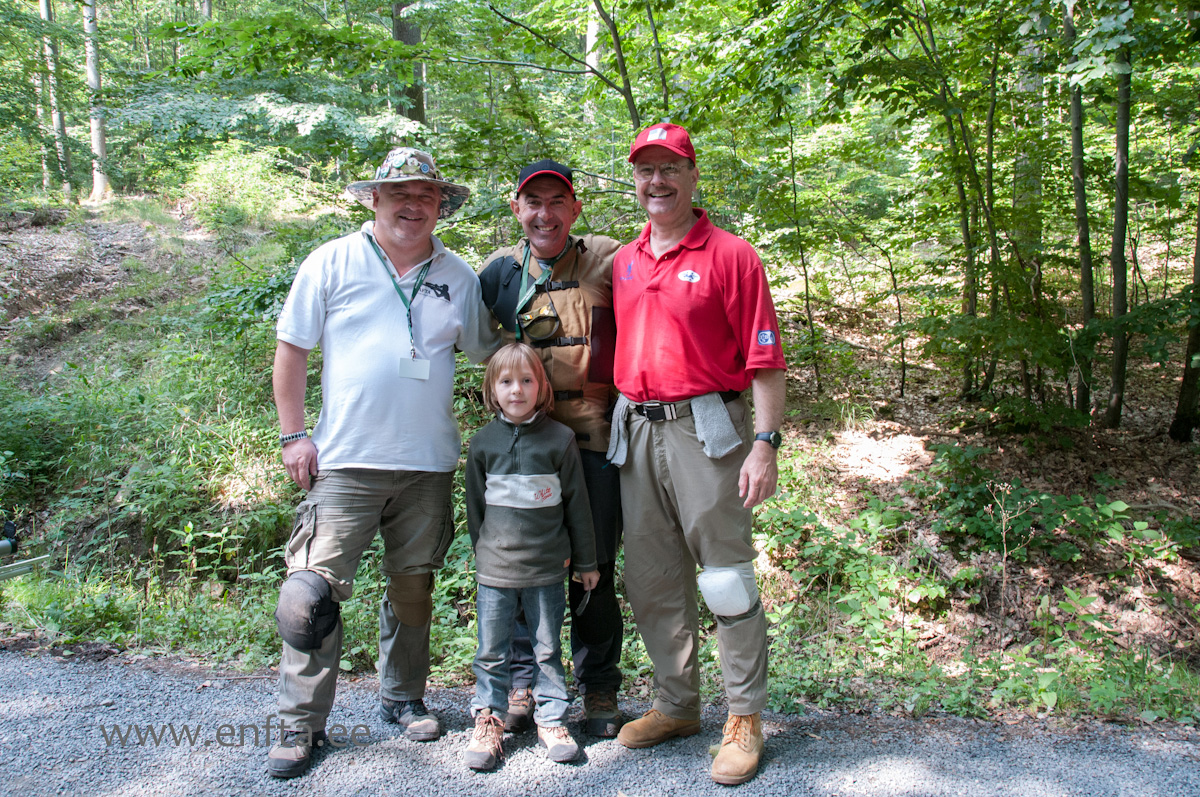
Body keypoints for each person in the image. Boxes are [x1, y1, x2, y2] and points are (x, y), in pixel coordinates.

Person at [266, 147, 500, 779]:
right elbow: (291, 353)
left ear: (439, 204)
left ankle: (402, 699)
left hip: (427, 465)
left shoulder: (458, 275)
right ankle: (299, 725)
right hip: (344, 461)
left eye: (425, 194)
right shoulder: (331, 261)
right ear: (374, 198)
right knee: (309, 596)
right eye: (399, 192)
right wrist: (294, 436)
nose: (412, 204)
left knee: (413, 589)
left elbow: (490, 353)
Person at [606, 124, 787, 786]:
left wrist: (764, 444)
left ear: (692, 174)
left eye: (669, 168)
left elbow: (766, 361)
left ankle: (744, 716)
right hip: (636, 429)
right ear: (635, 180)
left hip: (707, 427)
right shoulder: (623, 260)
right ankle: (678, 704)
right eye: (645, 170)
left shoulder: (733, 256)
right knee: (652, 579)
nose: (657, 181)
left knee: (725, 577)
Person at [477, 159, 626, 737]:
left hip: (593, 444)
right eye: (532, 202)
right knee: (518, 565)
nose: (545, 213)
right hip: (523, 445)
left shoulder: (609, 260)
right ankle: (522, 681)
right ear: (516, 209)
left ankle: (600, 686)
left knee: (595, 566)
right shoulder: (497, 275)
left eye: (556, 201)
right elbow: (464, 341)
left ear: (575, 208)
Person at [463, 342, 600, 770]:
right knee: (491, 650)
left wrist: (586, 562)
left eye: (526, 381)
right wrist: (483, 555)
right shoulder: (483, 444)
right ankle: (488, 720)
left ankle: (552, 719)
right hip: (495, 571)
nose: (516, 390)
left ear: (542, 388)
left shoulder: (559, 440)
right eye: (506, 382)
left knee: (546, 648)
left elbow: (577, 506)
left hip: (547, 568)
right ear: (492, 389)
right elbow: (475, 510)